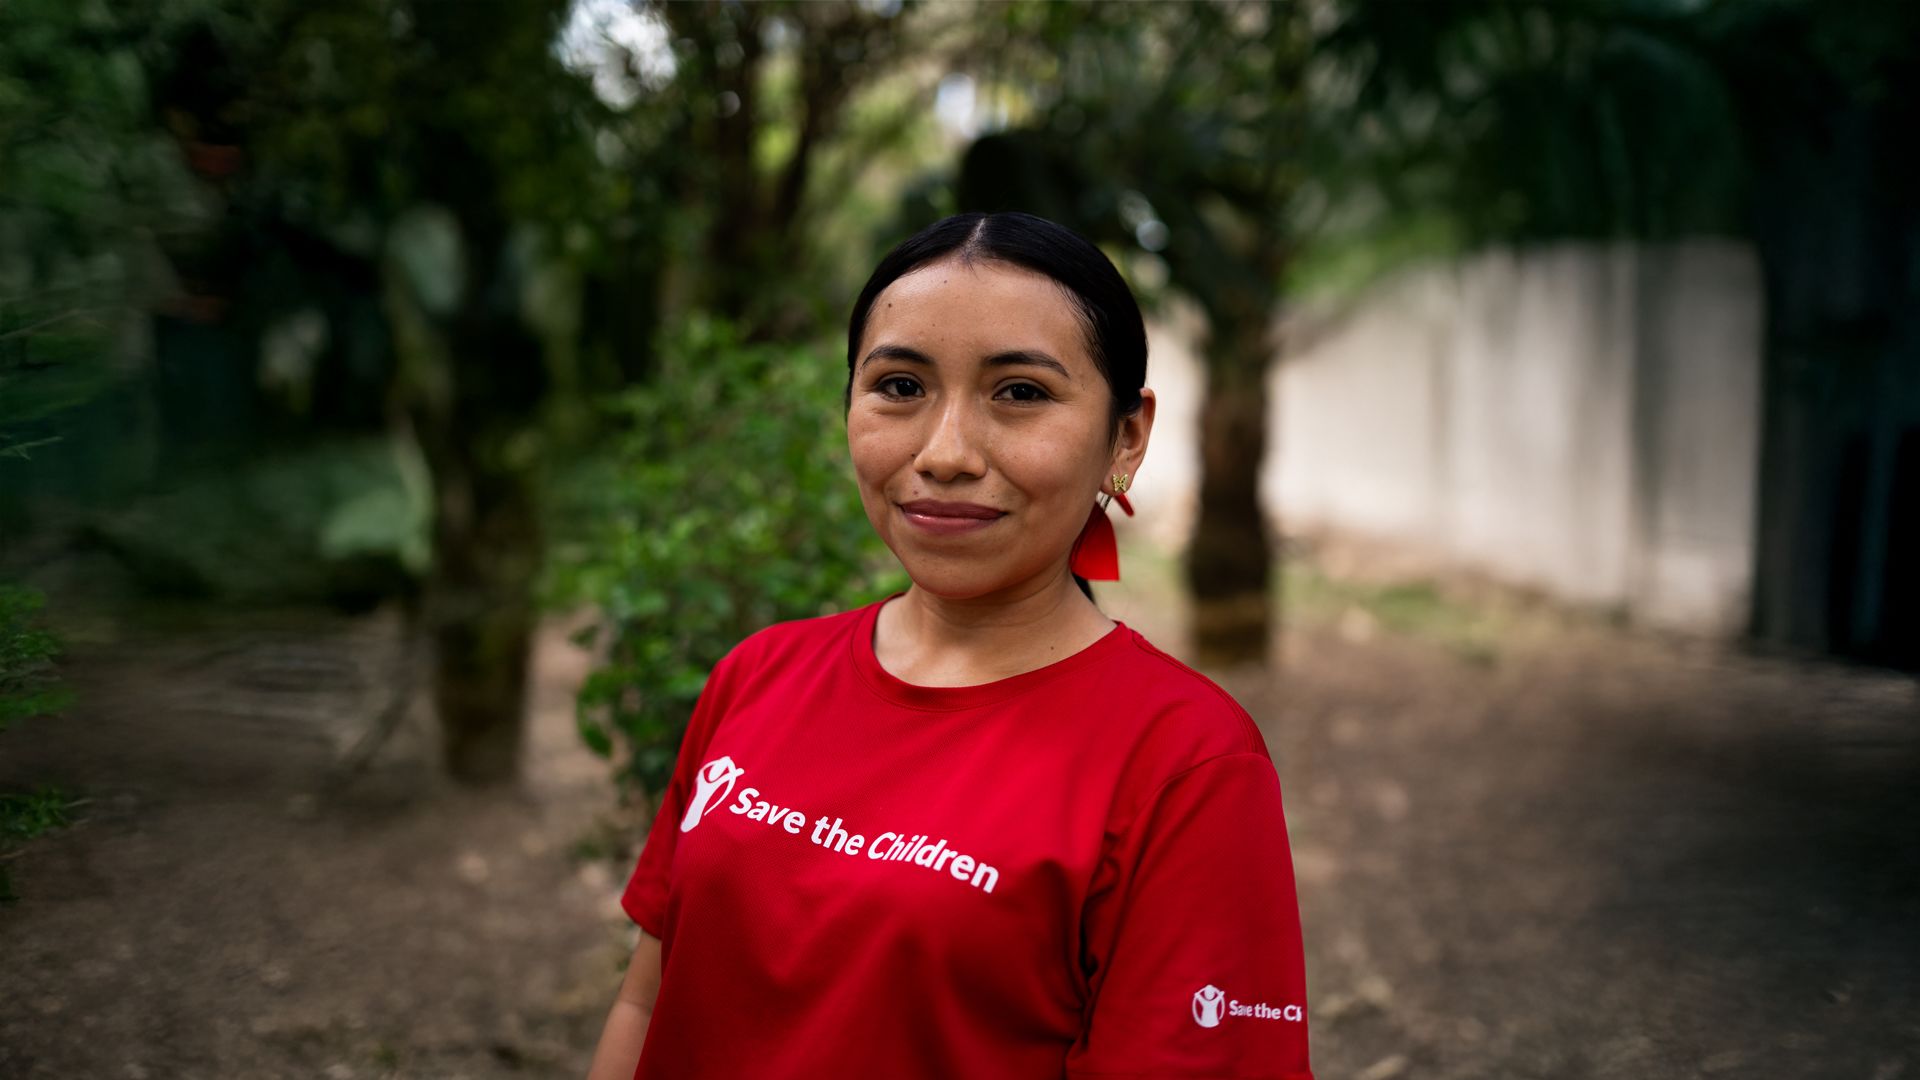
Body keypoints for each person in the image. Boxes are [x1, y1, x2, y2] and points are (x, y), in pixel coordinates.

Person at [586, 211, 1313, 1080]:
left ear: (1126, 436)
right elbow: (646, 1000)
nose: (946, 454)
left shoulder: (1186, 763)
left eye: (1020, 393)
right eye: (900, 386)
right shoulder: (758, 675)